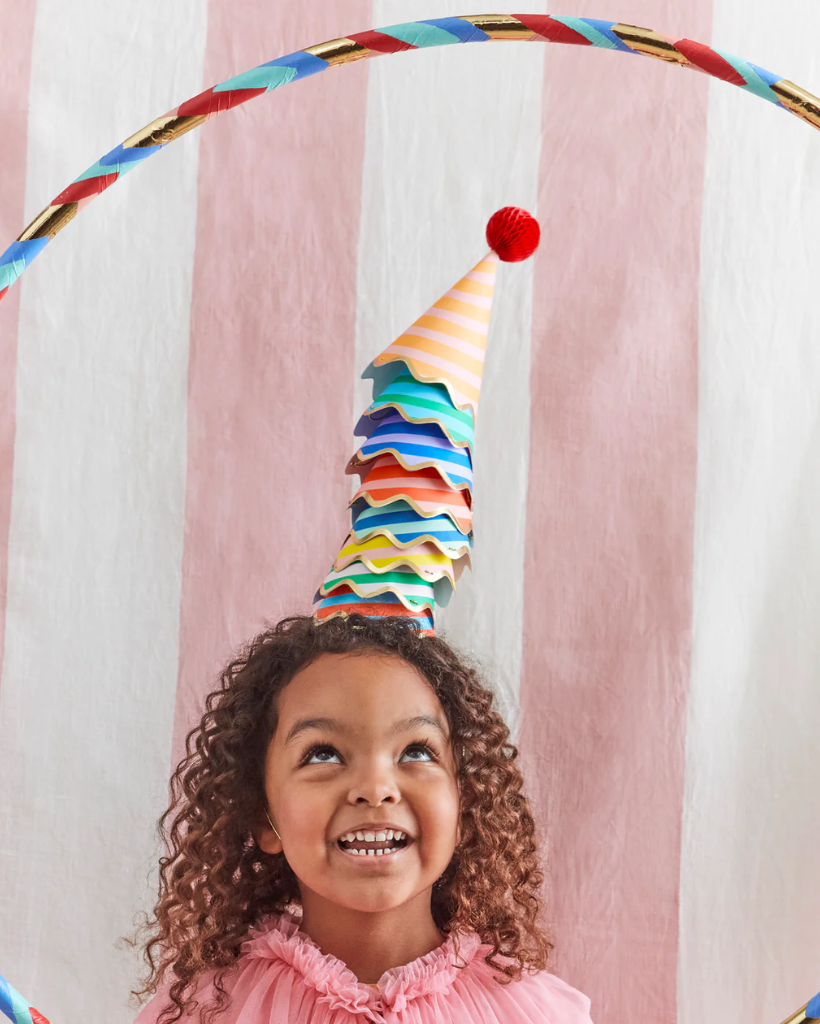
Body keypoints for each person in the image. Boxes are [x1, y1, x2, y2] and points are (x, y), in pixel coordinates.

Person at [131, 613, 593, 1023]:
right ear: (261, 814)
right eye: (323, 754)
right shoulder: (208, 1010)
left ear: (465, 806)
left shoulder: (531, 1012)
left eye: (416, 750)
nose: (375, 787)